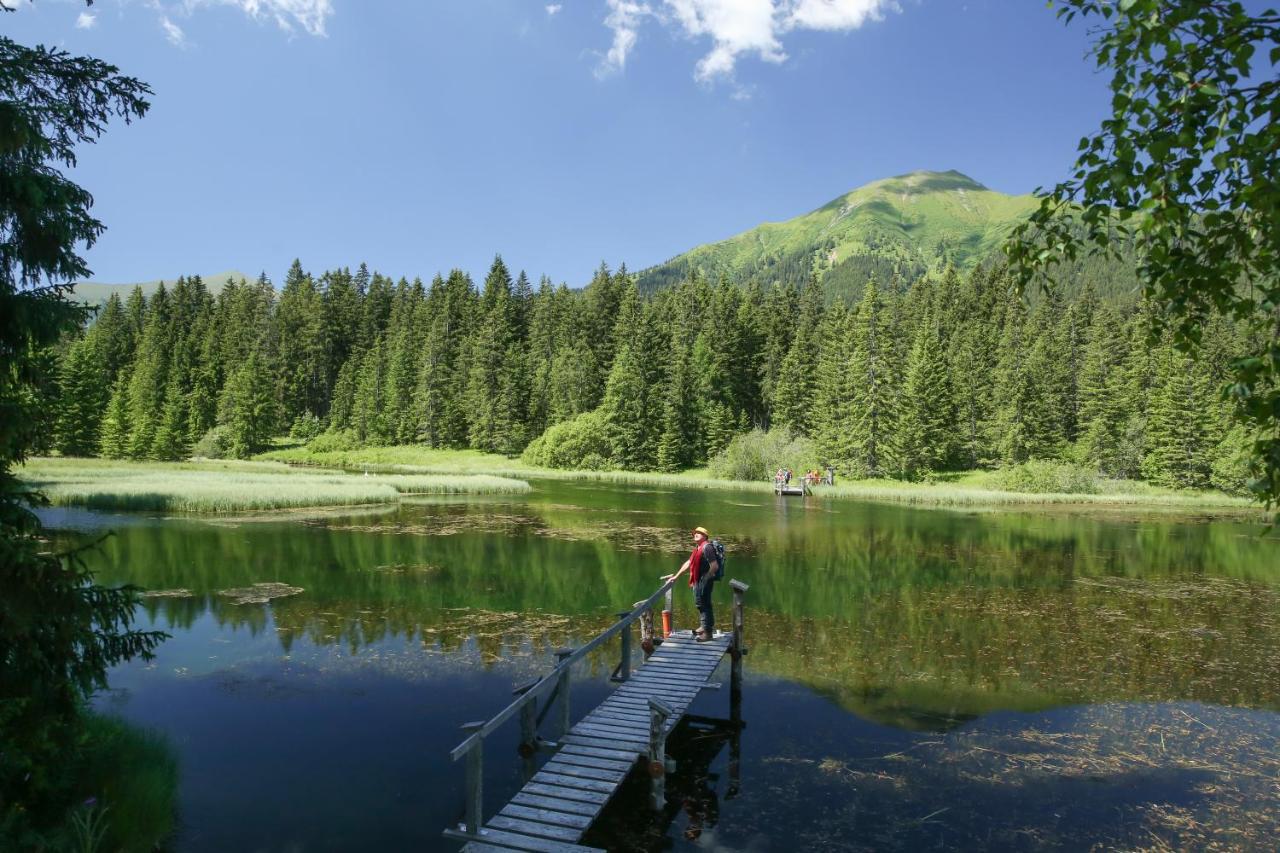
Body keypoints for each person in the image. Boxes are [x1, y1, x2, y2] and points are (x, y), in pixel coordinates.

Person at [663, 526, 721, 641]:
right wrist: (676, 576)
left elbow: (714, 566)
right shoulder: (697, 548)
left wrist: (706, 578)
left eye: (699, 533)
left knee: (704, 605)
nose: (696, 534)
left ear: (705, 536)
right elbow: (689, 563)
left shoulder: (707, 548)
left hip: (703, 581)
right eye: (695, 533)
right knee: (700, 604)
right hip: (697, 580)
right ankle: (703, 626)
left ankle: (707, 633)